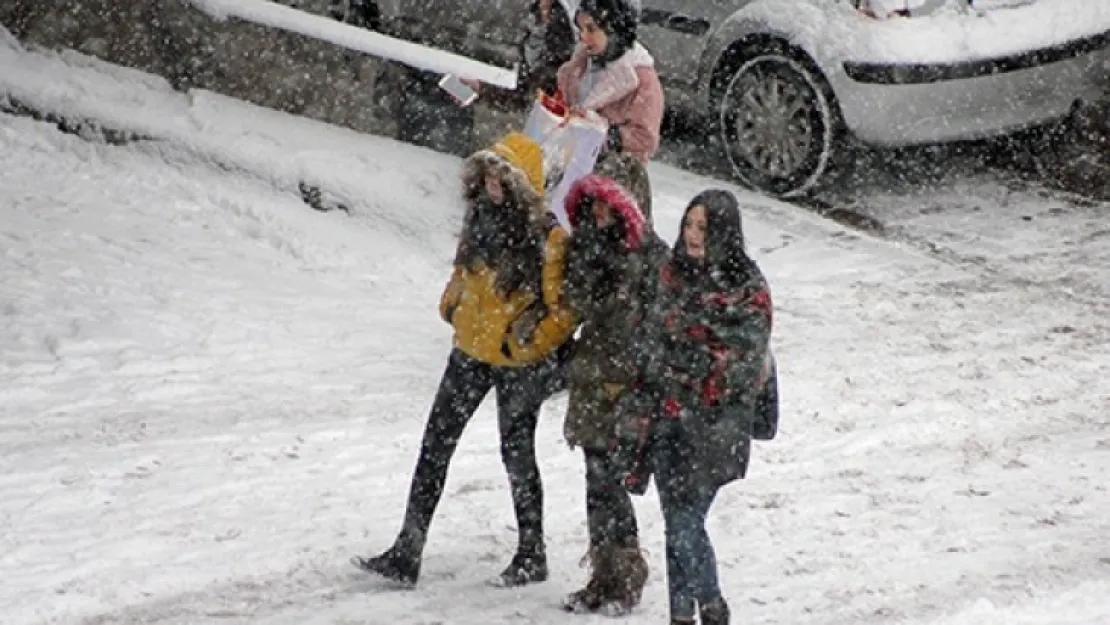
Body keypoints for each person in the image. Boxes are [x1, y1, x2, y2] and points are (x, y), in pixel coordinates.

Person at [352, 131, 579, 588]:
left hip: (517, 363)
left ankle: (532, 555)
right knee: (435, 445)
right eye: (489, 172)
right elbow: (461, 274)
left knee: (516, 456)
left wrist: (527, 347)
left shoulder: (548, 238)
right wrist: (451, 307)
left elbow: (565, 311)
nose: (494, 183)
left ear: (522, 184)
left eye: (504, 175)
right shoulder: (478, 220)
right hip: (470, 352)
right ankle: (407, 550)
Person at [616, 189, 775, 625]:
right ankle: (682, 614)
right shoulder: (671, 274)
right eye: (689, 224)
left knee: (685, 522)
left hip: (714, 425)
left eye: (704, 227)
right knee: (676, 521)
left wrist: (685, 354)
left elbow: (739, 364)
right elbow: (647, 338)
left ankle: (711, 606)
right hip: (665, 419)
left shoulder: (747, 288)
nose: (693, 235)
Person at [557, 156, 668, 616]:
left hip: (628, 385)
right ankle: (603, 574)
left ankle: (622, 575)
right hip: (592, 381)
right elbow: (573, 304)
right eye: (594, 204)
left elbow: (660, 324)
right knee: (596, 480)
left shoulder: (652, 259)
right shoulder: (587, 248)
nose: (599, 215)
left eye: (608, 205)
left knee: (613, 480)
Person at [556, 0, 663, 163]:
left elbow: (645, 139)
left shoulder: (641, 79)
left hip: (612, 173)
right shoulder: (580, 62)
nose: (583, 37)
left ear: (614, 32)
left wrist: (603, 132)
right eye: (580, 28)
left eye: (591, 29)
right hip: (569, 161)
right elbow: (564, 99)